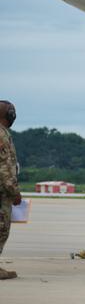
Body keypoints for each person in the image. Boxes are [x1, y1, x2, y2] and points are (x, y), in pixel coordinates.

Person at [0, 101, 21, 280]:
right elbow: (5, 167)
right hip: (1, 194)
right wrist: (14, 192)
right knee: (1, 229)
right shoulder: (2, 135)